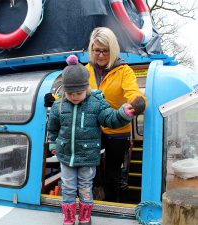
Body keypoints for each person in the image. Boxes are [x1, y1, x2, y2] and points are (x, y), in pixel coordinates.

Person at [47, 55, 135, 225]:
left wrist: (123, 114)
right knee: (68, 187)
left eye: (78, 93)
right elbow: (53, 127)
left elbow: (110, 118)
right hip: (66, 155)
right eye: (70, 93)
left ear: (86, 87)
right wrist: (52, 143)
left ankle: (85, 217)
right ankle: (69, 217)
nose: (74, 97)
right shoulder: (59, 105)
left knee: (85, 187)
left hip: (87, 156)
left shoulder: (96, 103)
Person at [85, 27, 147, 202]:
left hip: (117, 128)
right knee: (90, 168)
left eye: (106, 51)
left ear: (113, 50)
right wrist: (55, 98)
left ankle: (112, 203)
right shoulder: (86, 70)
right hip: (93, 127)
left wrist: (138, 101)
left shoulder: (124, 71)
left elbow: (133, 91)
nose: (101, 55)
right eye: (97, 50)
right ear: (92, 50)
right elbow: (74, 90)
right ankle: (94, 196)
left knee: (113, 172)